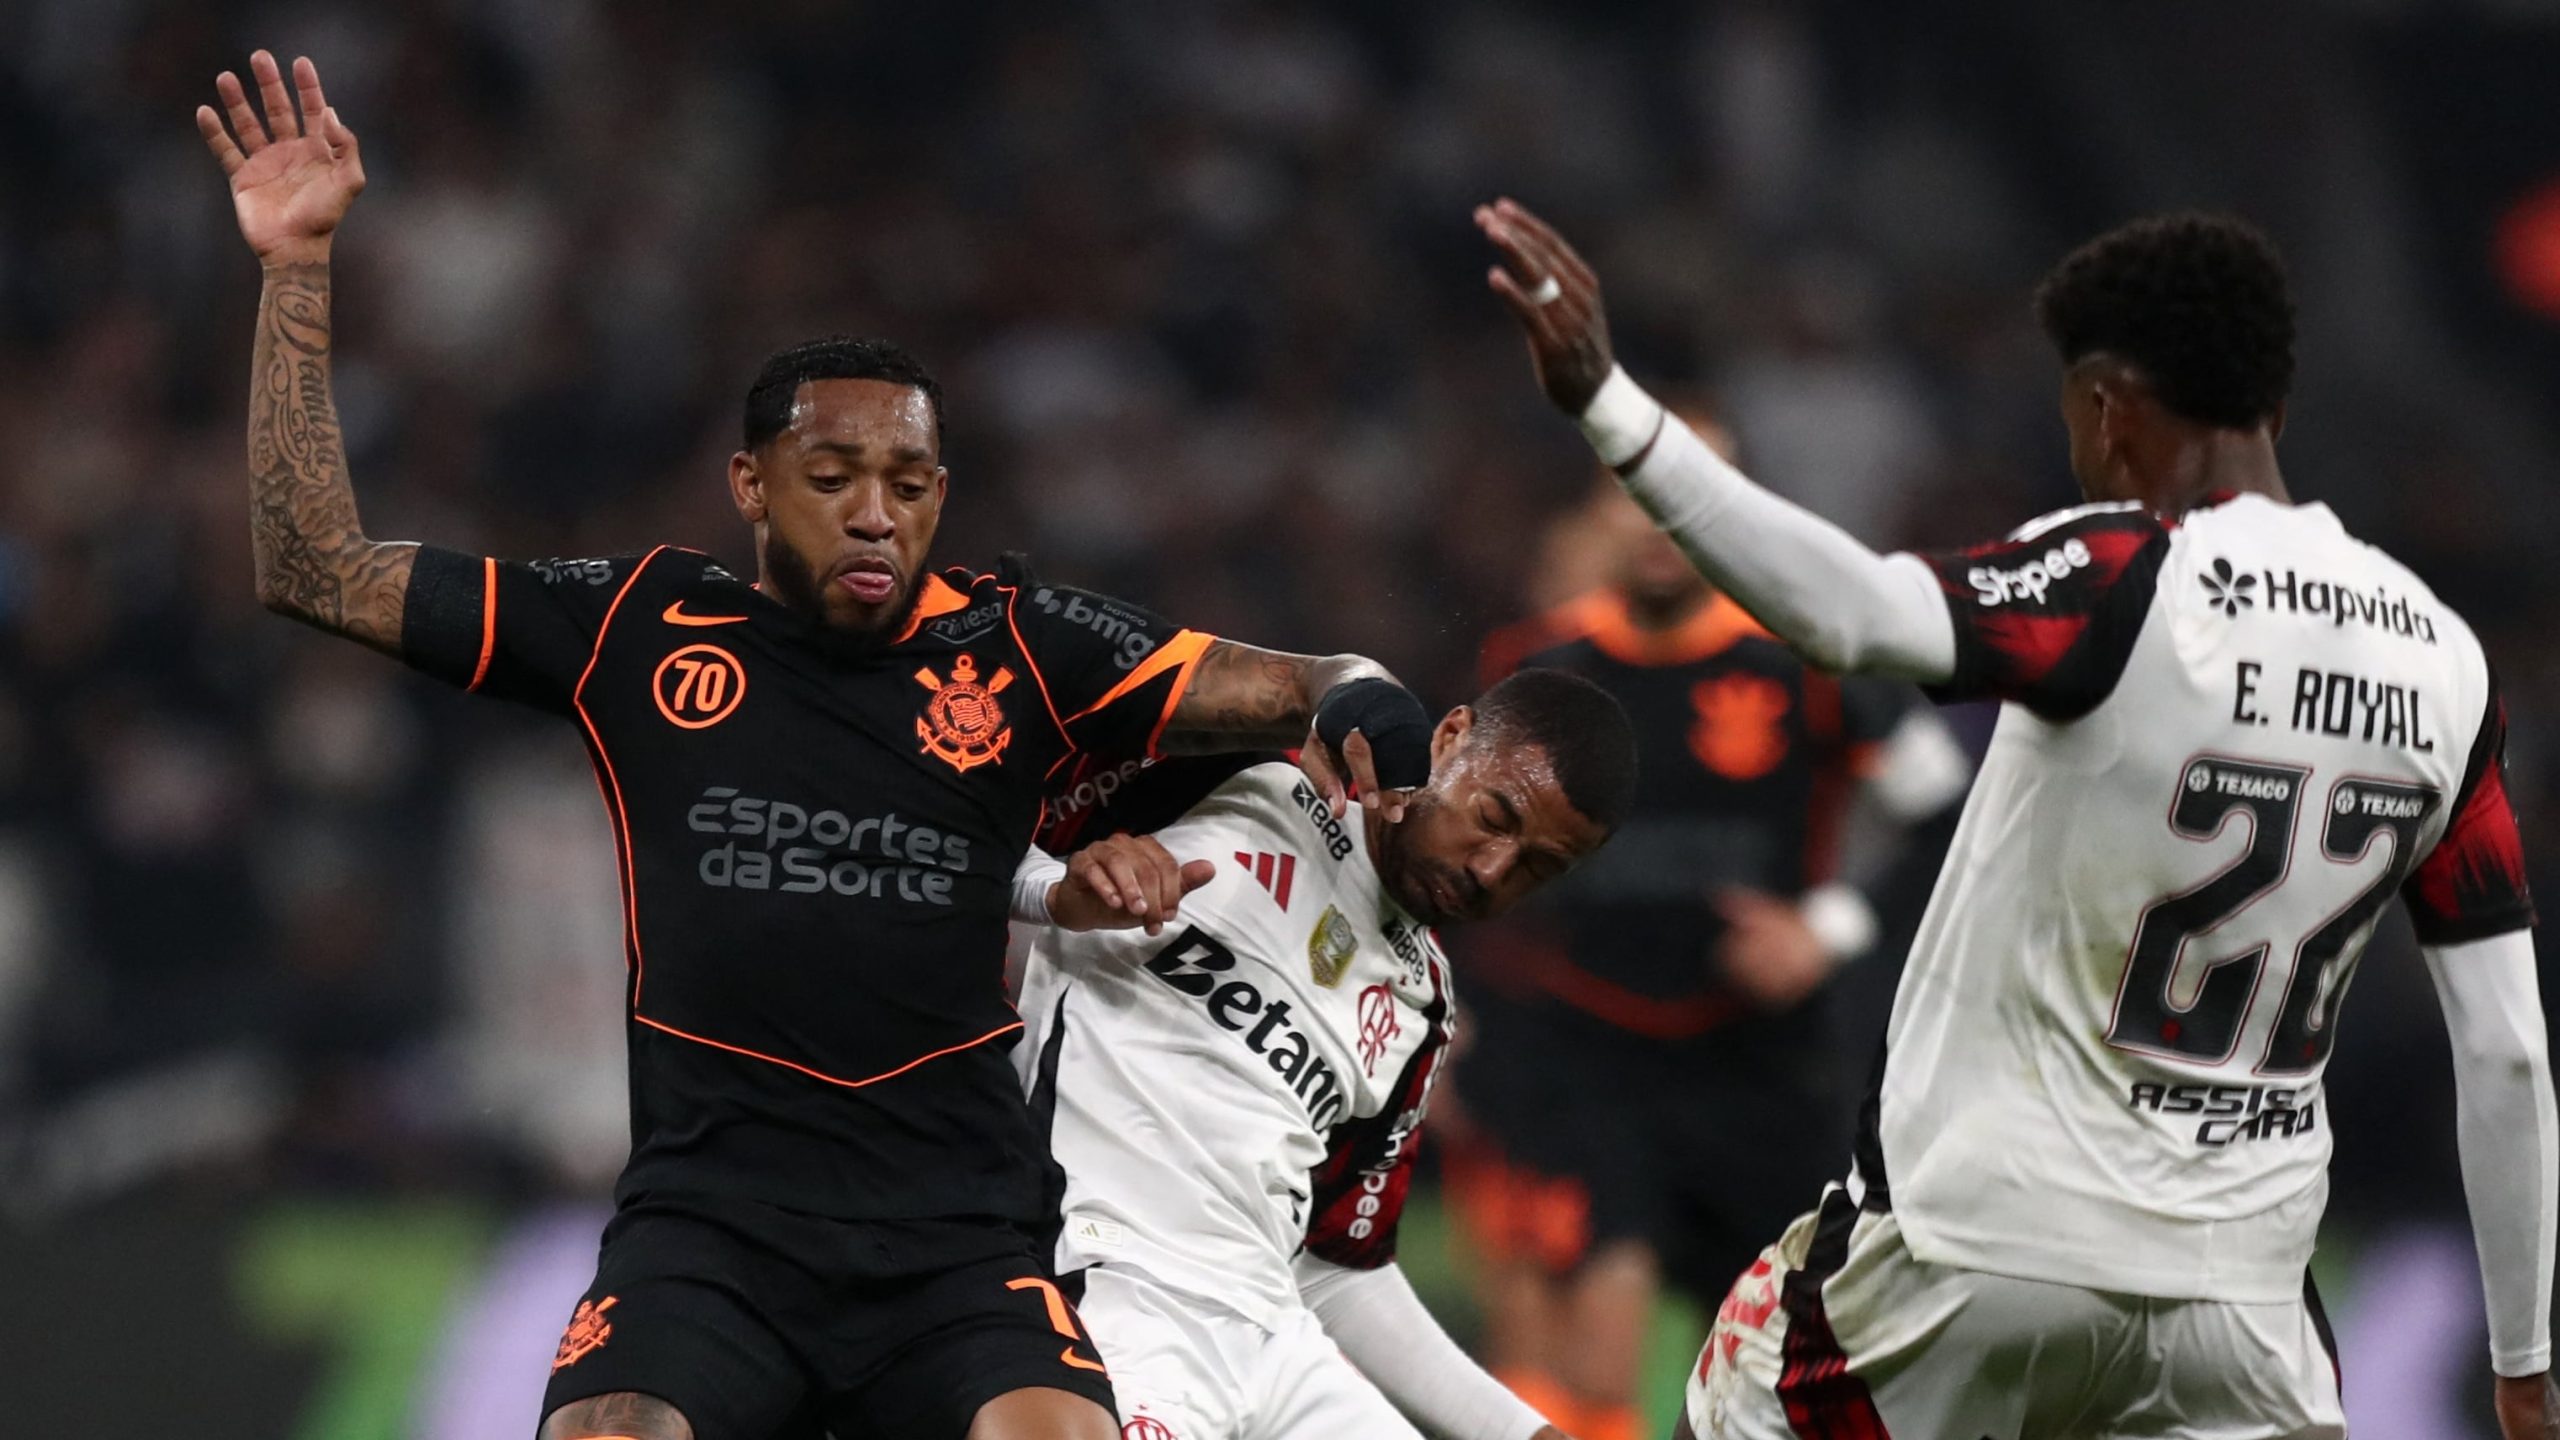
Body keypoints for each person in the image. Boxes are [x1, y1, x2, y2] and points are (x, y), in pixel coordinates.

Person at [194, 50, 1436, 1440]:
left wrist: (1365, 707)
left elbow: (1305, 685)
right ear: (750, 484)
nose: (874, 515)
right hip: (711, 1235)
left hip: (957, 1242)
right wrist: (295, 269)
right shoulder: (641, 627)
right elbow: (313, 567)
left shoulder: (1022, 644)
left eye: (908, 483)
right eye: (831, 477)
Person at [1478, 197, 2555, 1440]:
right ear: (2274, 402)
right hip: (2241, 1303)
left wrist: (1611, 408)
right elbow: (2507, 1050)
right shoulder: (2446, 663)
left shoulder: (2125, 577)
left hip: (1980, 1252)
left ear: (2105, 406)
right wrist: (2524, 1357)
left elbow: (1854, 615)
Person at [1448, 456, 1971, 1440]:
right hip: (1589, 1053)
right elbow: (1452, 843)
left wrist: (1823, 931)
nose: (1654, 522)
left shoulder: (1811, 657)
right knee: (1587, 1337)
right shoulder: (1537, 666)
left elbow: (1949, 812)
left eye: (1682, 495)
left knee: (1768, 1368)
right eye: (1629, 496)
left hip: (1761, 1067)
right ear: (1596, 516)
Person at [1009, 667, 1639, 1440]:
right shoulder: (1242, 770)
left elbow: (1337, 1268)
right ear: (1450, 738)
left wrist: (1524, 1433)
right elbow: (949, 838)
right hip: (1109, 1282)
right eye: (1493, 816)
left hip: (1276, 1337)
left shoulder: (1424, 1003)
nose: (1491, 871)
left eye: (1537, 867)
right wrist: (1054, 891)